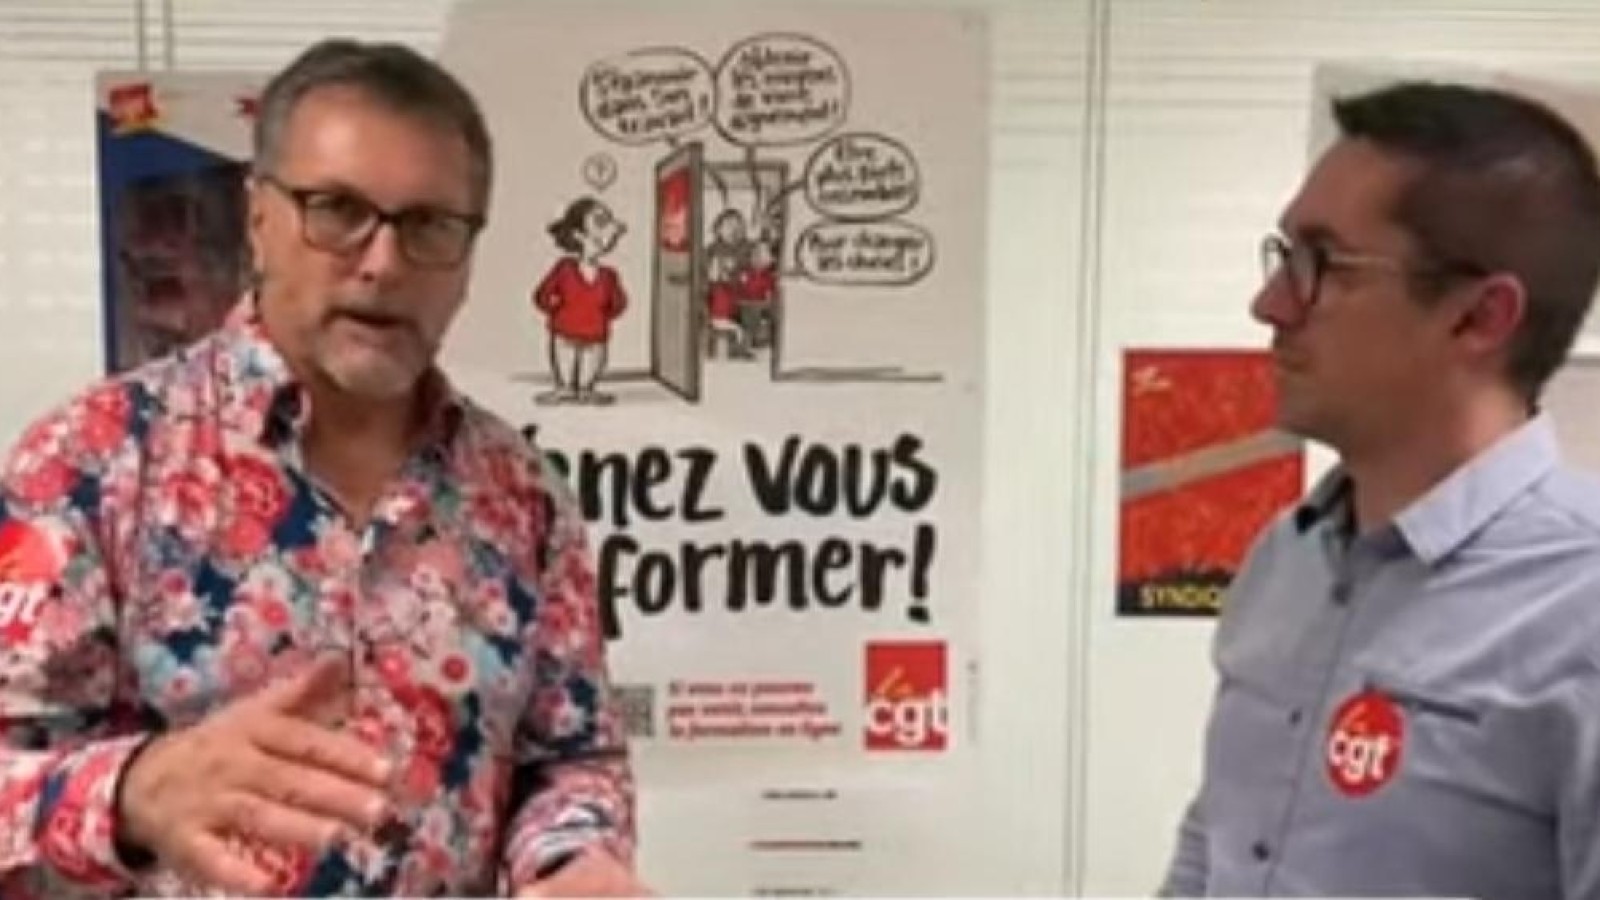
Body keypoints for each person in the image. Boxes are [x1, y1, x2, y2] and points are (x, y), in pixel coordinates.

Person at [0, 38, 649, 898]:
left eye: (429, 225)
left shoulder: (522, 495)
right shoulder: (86, 464)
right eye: (337, 209)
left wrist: (574, 862)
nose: (383, 262)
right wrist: (130, 793)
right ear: (258, 217)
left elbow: (572, 759)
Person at [1159, 80, 1600, 900]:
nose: (1269, 304)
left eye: (1321, 264)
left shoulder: (1582, 602)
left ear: (1479, 317)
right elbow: (1215, 843)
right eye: (1282, 256)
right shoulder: (1284, 558)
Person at [532, 197, 628, 405]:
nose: (608, 232)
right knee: (565, 361)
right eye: (600, 222)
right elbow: (542, 295)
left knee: (591, 367)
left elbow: (619, 303)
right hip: (564, 331)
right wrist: (554, 308)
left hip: (595, 334)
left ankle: (586, 389)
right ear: (578, 235)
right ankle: (565, 388)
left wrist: (604, 315)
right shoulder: (564, 268)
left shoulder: (609, 275)